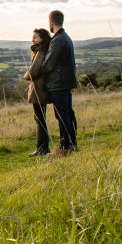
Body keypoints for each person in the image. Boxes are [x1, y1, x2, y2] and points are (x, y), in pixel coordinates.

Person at [42, 9, 78, 153]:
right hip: (66, 81)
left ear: (51, 22)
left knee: (62, 115)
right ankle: (72, 143)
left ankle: (65, 146)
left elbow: (49, 63)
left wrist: (38, 71)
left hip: (58, 83)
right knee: (68, 113)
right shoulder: (66, 37)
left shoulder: (57, 40)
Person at [23, 28, 52, 156]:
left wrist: (25, 76)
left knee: (40, 119)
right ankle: (42, 148)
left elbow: (33, 72)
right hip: (41, 88)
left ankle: (42, 148)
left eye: (35, 37)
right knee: (40, 118)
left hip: (39, 89)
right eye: (32, 37)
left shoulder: (41, 52)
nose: (32, 39)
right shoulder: (42, 51)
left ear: (42, 39)